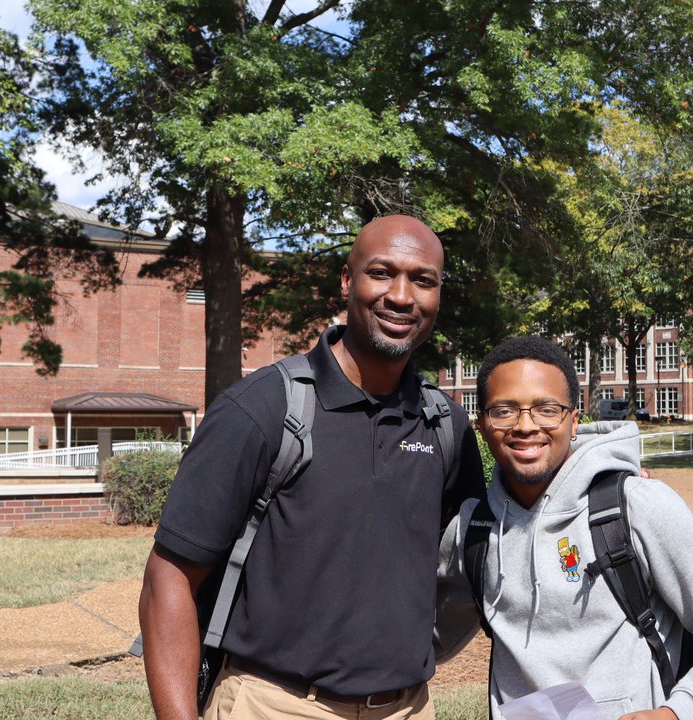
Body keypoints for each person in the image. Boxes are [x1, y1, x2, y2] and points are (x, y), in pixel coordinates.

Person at [139, 215, 486, 720]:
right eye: (382, 272)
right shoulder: (261, 410)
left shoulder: (445, 426)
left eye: (423, 280)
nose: (402, 295)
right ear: (347, 282)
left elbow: (473, 562)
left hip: (409, 709)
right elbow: (167, 579)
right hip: (274, 704)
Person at [438, 336, 693, 720]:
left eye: (547, 409)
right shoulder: (472, 531)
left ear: (574, 421)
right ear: (482, 424)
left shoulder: (637, 506)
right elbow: (427, 638)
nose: (526, 426)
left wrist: (677, 713)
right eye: (504, 411)